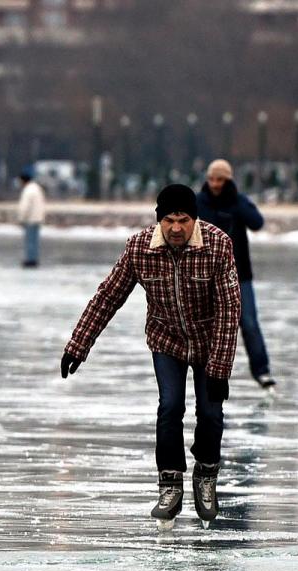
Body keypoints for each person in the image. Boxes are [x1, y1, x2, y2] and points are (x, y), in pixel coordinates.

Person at [60, 184, 241, 527]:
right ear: (159, 220)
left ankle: (205, 475)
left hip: (208, 341)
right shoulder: (140, 248)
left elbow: (230, 310)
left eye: (183, 220)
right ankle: (170, 485)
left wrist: (219, 368)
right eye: (169, 220)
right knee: (170, 406)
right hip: (166, 339)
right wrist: (78, 345)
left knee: (211, 412)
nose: (176, 228)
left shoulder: (218, 246)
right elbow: (108, 296)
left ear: (194, 220)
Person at [196, 159, 275, 391]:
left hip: (239, 275)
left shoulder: (238, 202)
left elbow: (257, 222)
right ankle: (212, 374)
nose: (215, 184)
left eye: (220, 179)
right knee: (210, 327)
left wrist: (238, 202)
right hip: (206, 277)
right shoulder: (198, 202)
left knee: (249, 323)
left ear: (228, 180)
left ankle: (262, 371)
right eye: (211, 179)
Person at [16, 169, 46, 267]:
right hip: (38, 218)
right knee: (34, 241)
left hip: (30, 219)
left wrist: (21, 218)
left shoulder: (28, 190)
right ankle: (34, 258)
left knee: (29, 241)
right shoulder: (36, 188)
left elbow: (25, 206)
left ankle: (30, 260)